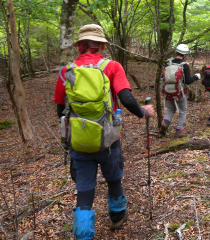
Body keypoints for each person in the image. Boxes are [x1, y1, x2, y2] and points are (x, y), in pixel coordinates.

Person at [53, 24, 155, 240]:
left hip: (79, 141)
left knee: (84, 189)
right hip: (109, 139)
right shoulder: (112, 66)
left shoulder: (66, 71)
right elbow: (126, 99)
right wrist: (143, 113)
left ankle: (83, 235)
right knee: (114, 178)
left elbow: (60, 110)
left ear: (80, 46)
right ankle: (117, 215)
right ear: (101, 45)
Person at [160, 44, 201, 137]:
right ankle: (178, 131)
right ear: (185, 55)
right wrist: (196, 77)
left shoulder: (168, 63)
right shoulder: (184, 66)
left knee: (170, 109)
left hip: (168, 91)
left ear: (176, 52)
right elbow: (188, 81)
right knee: (183, 110)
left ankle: (164, 124)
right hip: (180, 92)